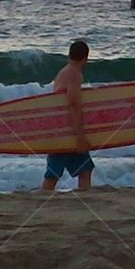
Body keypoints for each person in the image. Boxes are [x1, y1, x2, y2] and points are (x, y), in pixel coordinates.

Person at [41, 40, 94, 191]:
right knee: (53, 174)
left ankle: (84, 197)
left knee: (85, 169)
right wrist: (80, 137)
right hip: (63, 132)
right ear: (85, 58)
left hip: (62, 129)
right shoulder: (74, 74)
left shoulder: (64, 71)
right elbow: (73, 105)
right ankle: (40, 199)